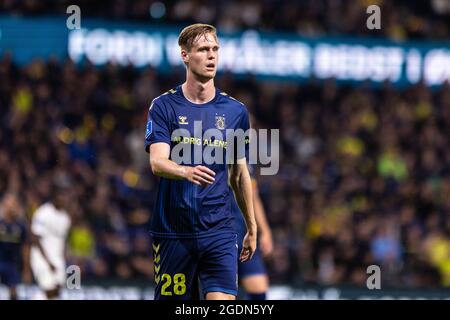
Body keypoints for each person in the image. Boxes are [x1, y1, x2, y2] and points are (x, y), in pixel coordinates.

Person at [145, 23, 257, 300]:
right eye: (203, 49)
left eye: (215, 49)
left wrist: (252, 226)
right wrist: (185, 171)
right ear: (185, 55)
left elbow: (239, 174)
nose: (211, 56)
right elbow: (157, 163)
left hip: (219, 231)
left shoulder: (235, 112)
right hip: (174, 233)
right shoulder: (163, 106)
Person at [234, 166, 273, 300]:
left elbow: (253, 196)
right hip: (218, 232)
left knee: (259, 291)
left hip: (244, 234)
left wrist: (265, 231)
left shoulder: (243, 153)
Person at [30, 187, 71, 299]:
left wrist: (63, 258)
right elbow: (35, 238)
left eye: (66, 197)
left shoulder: (65, 218)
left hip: (57, 258)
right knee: (49, 289)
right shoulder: (43, 213)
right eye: (61, 197)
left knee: (57, 290)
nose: (64, 200)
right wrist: (48, 261)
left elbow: (63, 241)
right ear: (54, 198)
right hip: (41, 257)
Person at [0, 193, 30, 300]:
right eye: (10, 203)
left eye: (14, 204)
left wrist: (27, 270)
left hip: (13, 264)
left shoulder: (21, 225)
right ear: (4, 205)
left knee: (13, 293)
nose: (12, 206)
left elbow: (25, 248)